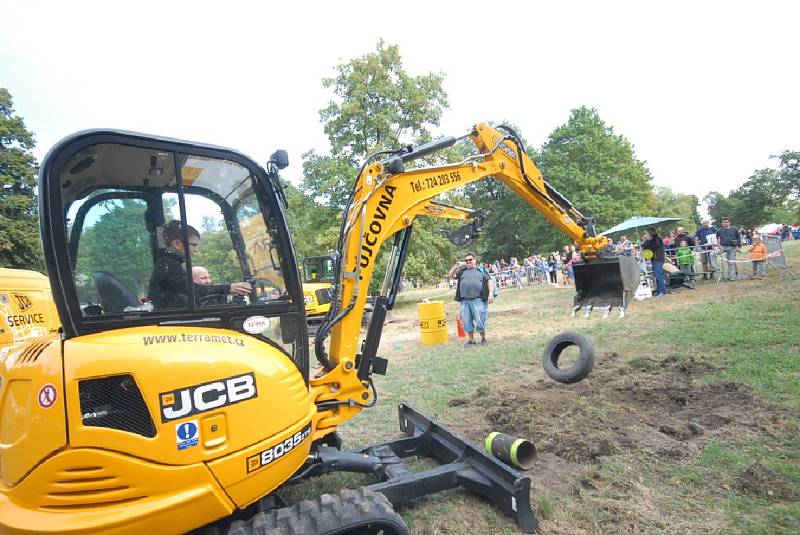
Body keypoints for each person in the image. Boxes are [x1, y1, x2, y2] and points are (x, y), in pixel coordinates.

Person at [148, 220, 251, 309]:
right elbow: (190, 290)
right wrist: (227, 288)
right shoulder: (169, 265)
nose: (196, 250)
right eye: (194, 245)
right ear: (177, 244)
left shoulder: (167, 263)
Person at [448, 252, 494, 346]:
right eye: (466, 260)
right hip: (465, 300)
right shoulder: (462, 271)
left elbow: (490, 281)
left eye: (470, 260)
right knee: (466, 321)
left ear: (475, 260)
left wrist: (491, 294)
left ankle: (483, 339)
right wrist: (456, 266)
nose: (468, 261)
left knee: (480, 320)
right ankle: (471, 340)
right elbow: (450, 275)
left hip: (479, 299)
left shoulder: (481, 269)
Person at [642, 227, 667, 297]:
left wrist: (648, 240)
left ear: (651, 233)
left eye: (647, 233)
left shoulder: (657, 239)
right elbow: (644, 246)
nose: (646, 234)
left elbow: (653, 246)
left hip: (658, 259)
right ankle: (659, 290)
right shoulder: (651, 240)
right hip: (654, 259)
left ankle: (663, 291)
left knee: (659, 275)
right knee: (656, 276)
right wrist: (646, 240)